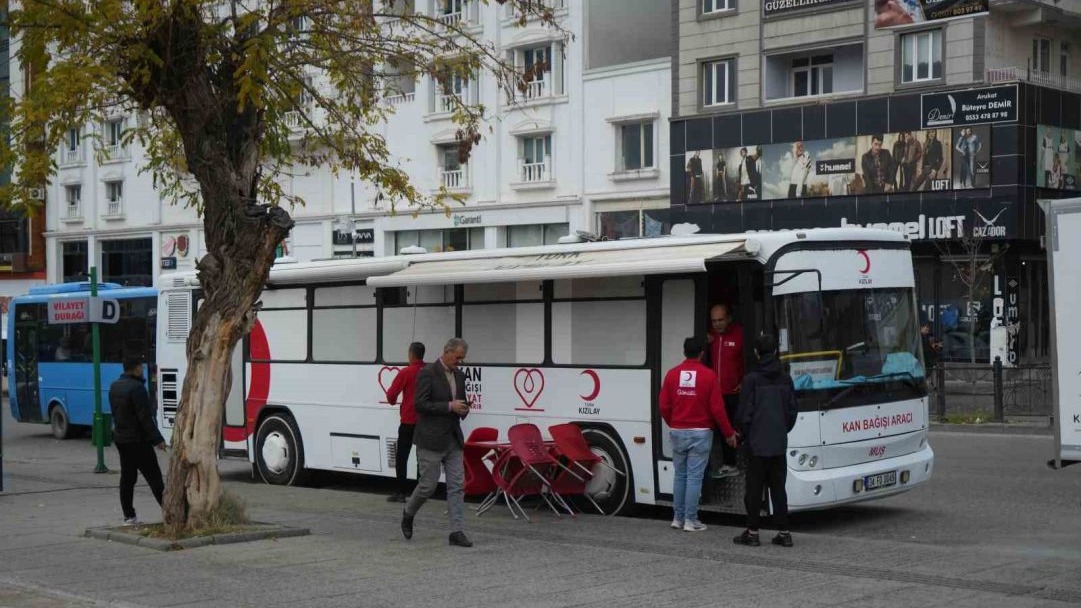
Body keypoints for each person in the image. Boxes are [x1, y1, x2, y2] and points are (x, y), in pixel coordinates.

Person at [659, 337, 738, 532]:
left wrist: (674, 423)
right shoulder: (709, 376)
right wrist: (729, 433)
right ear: (702, 353)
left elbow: (663, 406)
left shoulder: (672, 374)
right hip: (700, 433)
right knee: (694, 477)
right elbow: (718, 409)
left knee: (680, 475)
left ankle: (677, 518)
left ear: (684, 352)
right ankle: (691, 520)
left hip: (677, 431)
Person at [401, 338, 473, 547]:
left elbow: (459, 402)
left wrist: (464, 408)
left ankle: (456, 532)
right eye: (457, 357)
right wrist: (449, 406)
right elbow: (420, 404)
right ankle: (408, 512)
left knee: (457, 486)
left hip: (453, 439)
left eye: (462, 358)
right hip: (430, 439)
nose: (460, 362)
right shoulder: (427, 373)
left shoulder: (459, 376)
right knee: (428, 486)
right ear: (446, 352)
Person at [733, 333, 799, 548]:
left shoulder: (752, 379)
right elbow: (792, 412)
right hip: (778, 443)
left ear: (756, 353)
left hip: (756, 445)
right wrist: (781, 430)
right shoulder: (785, 379)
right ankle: (784, 532)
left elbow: (744, 413)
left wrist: (744, 434)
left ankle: (752, 533)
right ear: (776, 352)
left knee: (754, 490)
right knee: (779, 489)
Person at [109, 355, 166, 525]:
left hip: (121, 439)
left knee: (127, 478)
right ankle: (170, 512)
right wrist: (157, 440)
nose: (142, 369)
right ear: (136, 368)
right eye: (140, 366)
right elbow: (145, 418)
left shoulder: (114, 386)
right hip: (138, 440)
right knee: (154, 478)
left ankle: (129, 516)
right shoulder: (137, 388)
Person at [706, 303, 744, 479]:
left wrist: (745, 381)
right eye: (714, 321)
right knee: (722, 430)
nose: (717, 324)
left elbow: (748, 358)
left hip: (734, 393)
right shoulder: (709, 336)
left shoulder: (740, 334)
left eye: (721, 320)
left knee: (736, 427)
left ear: (729, 318)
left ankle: (735, 463)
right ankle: (728, 464)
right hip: (715, 393)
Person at [384, 341, 426, 503]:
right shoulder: (430, 371)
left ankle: (400, 492)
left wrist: (395, 401)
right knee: (421, 456)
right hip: (426, 421)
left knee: (402, 456)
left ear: (411, 354)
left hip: (409, 420)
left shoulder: (406, 372)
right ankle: (420, 492)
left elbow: (391, 396)